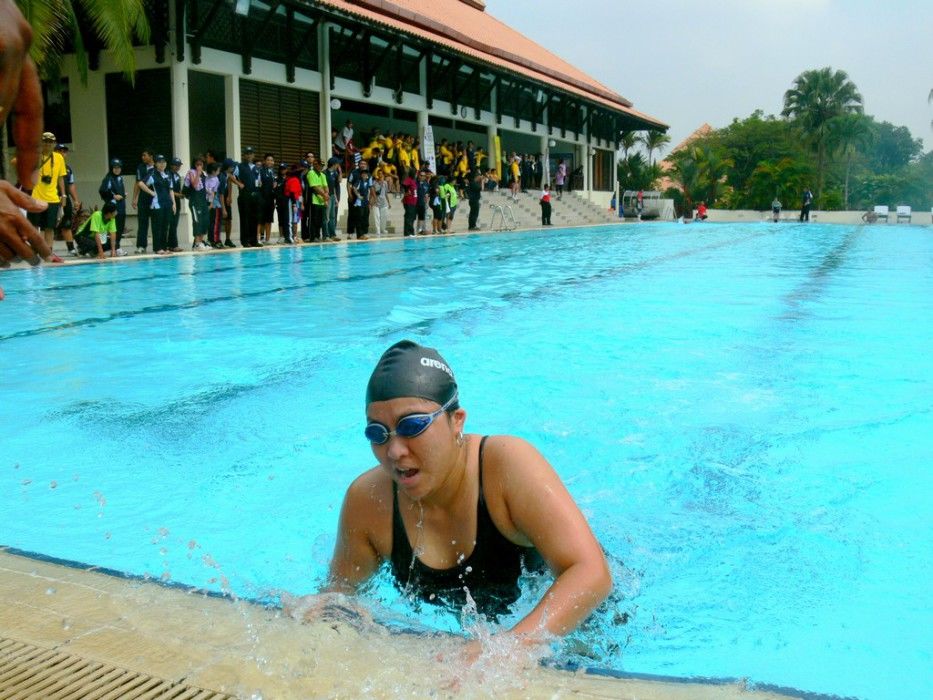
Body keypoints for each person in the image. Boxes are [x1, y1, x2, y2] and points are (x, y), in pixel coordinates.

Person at [308, 340, 611, 642]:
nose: (395, 451)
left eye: (412, 425)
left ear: (456, 421)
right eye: (378, 433)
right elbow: (340, 597)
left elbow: (591, 573)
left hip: (581, 624)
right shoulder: (368, 503)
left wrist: (512, 648)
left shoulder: (507, 465)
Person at [29, 132, 67, 251]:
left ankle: (48, 251)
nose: (48, 145)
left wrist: (64, 195)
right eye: (45, 142)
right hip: (36, 197)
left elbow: (61, 177)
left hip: (52, 198)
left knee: (49, 227)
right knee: (35, 226)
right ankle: (35, 249)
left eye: (50, 142)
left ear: (54, 144)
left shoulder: (59, 157)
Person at [136, 154, 176, 255]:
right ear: (156, 164)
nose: (162, 164)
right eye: (159, 162)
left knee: (165, 226)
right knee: (157, 227)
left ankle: (164, 246)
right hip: (157, 204)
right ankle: (157, 247)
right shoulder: (153, 174)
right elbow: (140, 183)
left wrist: (174, 203)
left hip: (167, 203)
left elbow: (171, 190)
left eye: (163, 162)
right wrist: (151, 192)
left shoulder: (168, 174)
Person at [54, 144, 81, 255]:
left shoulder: (68, 169)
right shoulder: (50, 165)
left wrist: (75, 200)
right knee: (49, 225)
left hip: (65, 199)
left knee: (67, 224)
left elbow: (71, 185)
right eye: (59, 151)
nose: (62, 153)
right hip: (52, 198)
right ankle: (46, 251)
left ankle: (71, 249)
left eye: (64, 151)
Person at [99, 158, 127, 252]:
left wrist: (123, 195)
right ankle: (113, 248)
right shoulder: (108, 178)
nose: (117, 169)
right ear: (111, 168)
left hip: (121, 206)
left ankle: (116, 246)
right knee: (112, 228)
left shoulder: (120, 178)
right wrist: (113, 196)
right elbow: (102, 191)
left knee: (120, 227)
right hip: (113, 207)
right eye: (115, 167)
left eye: (118, 167)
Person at [132, 148, 155, 253]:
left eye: (145, 155)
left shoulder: (157, 167)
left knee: (156, 223)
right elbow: (137, 183)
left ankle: (158, 246)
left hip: (155, 199)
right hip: (143, 199)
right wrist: (134, 198)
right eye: (142, 155)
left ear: (151, 156)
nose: (143, 157)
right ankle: (141, 246)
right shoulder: (140, 167)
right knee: (142, 223)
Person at [185, 156, 210, 249]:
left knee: (205, 221)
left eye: (201, 164)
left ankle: (201, 241)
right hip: (195, 201)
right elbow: (195, 185)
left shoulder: (205, 174)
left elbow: (205, 187)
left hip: (203, 200)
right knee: (197, 221)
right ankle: (196, 243)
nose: (199, 166)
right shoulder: (191, 173)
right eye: (197, 164)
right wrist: (198, 174)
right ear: (194, 165)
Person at [305, 156, 329, 242]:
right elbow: (314, 187)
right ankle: (313, 237)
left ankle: (319, 236)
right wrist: (325, 196)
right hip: (313, 200)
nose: (321, 167)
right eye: (320, 165)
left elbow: (326, 187)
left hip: (322, 201)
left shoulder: (323, 174)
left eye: (322, 166)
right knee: (313, 220)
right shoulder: (311, 173)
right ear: (315, 165)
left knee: (320, 220)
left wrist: (325, 198)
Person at [371, 169, 391, 237]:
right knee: (377, 217)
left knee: (384, 217)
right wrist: (370, 202)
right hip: (375, 202)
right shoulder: (374, 182)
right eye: (379, 173)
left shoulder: (385, 183)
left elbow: (386, 193)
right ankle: (378, 230)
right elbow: (371, 192)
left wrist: (389, 203)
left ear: (383, 175)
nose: (380, 175)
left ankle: (383, 229)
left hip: (383, 202)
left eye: (381, 173)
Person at [401, 167, 418, 236]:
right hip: (409, 201)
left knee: (412, 217)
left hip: (413, 202)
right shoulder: (409, 179)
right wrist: (407, 191)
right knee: (408, 217)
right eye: (416, 173)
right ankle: (407, 233)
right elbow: (404, 184)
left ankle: (411, 231)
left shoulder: (414, 180)